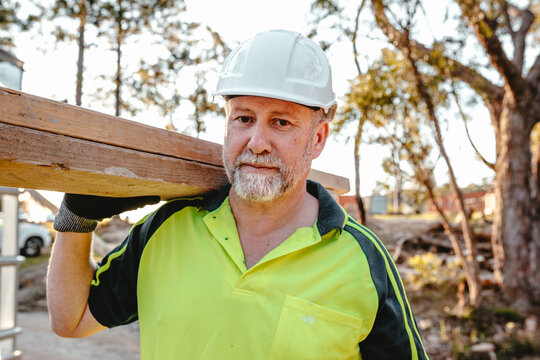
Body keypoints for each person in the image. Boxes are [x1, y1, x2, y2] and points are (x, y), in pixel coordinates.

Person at [47, 29, 429, 359]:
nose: (257, 143)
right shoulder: (166, 230)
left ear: (317, 138)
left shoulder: (361, 259)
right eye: (244, 118)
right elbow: (71, 320)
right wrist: (75, 218)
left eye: (281, 122)